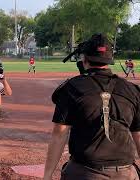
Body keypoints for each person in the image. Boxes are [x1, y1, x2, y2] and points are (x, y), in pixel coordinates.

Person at [43, 33, 140, 180]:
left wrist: (47, 176)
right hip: (125, 172)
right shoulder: (132, 90)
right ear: (109, 59)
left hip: (85, 171)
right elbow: (138, 135)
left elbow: (59, 134)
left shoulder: (71, 88)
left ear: (84, 59)